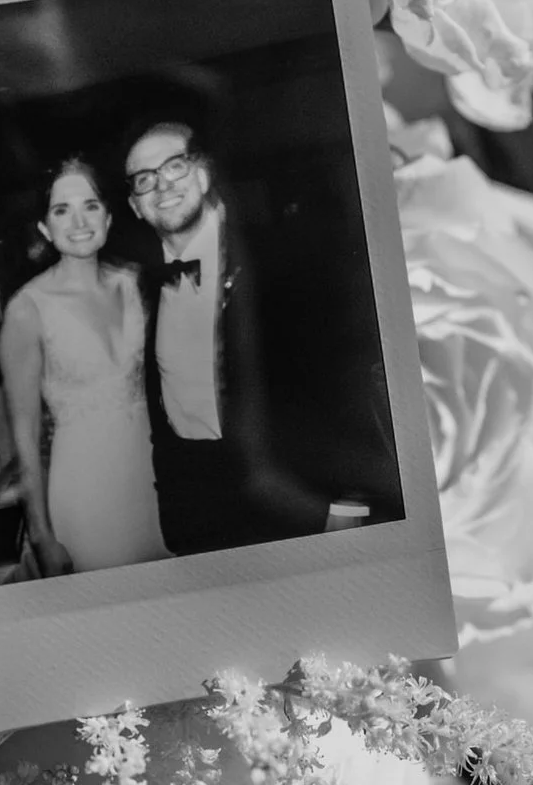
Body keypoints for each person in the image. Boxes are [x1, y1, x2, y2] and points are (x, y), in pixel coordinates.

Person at [125, 118, 367, 555]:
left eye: (174, 167)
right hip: (230, 522)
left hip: (299, 499)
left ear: (203, 173)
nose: (162, 185)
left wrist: (343, 519)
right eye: (146, 178)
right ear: (135, 204)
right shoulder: (152, 296)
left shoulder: (274, 268)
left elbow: (262, 457)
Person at [0, 158, 167, 575]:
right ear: (44, 228)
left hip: (155, 481)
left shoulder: (133, 282)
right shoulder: (26, 309)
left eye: (90, 206)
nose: (78, 221)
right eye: (61, 210)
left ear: (108, 218)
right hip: (85, 491)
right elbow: (25, 436)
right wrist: (41, 536)